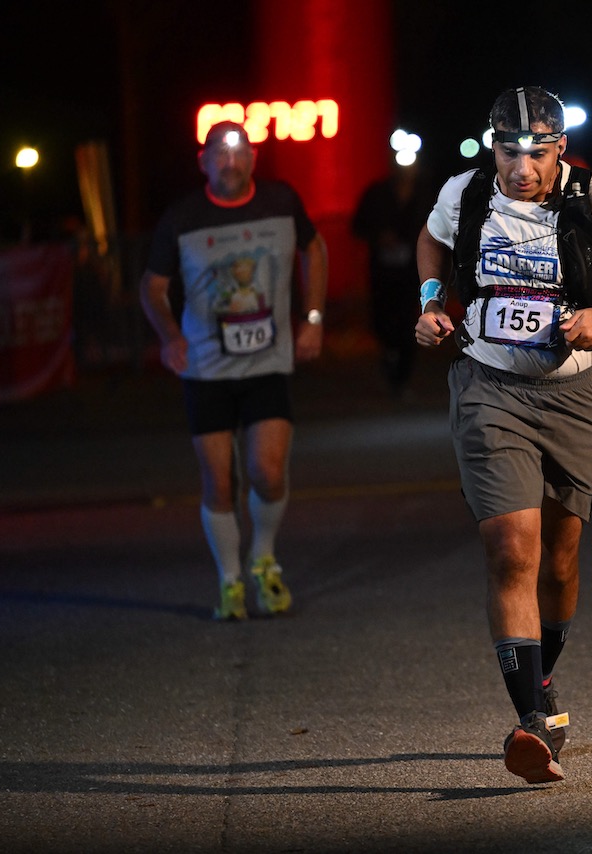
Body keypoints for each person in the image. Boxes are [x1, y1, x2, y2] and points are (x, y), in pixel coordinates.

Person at [413, 86, 592, 784]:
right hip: (488, 385)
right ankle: (531, 723)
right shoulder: (467, 192)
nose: (522, 168)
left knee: (561, 563)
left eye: (537, 153)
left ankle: (539, 686)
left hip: (573, 394)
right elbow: (431, 238)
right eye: (509, 151)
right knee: (513, 551)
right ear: (492, 145)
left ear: (559, 149)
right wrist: (430, 304)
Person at [138, 120, 328, 621]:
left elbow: (314, 248)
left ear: (253, 158)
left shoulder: (280, 201)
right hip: (205, 368)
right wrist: (170, 337)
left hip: (268, 363)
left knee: (267, 473)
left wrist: (312, 318)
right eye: (219, 154)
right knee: (218, 481)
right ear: (203, 161)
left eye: (239, 152)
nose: (230, 162)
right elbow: (152, 287)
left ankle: (263, 558)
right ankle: (229, 581)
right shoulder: (182, 218)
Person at [352, 158, 434, 398]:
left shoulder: (423, 195)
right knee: (382, 320)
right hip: (383, 272)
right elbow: (358, 225)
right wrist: (379, 236)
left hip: (413, 272)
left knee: (410, 321)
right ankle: (389, 358)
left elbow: (439, 227)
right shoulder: (376, 194)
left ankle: (401, 378)